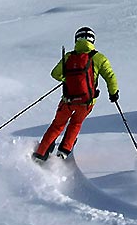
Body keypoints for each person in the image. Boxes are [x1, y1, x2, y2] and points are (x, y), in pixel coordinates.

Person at [32, 26, 119, 161]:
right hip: (86, 102)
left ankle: (41, 153)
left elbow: (55, 74)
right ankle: (64, 151)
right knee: (76, 124)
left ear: (76, 39)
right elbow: (110, 76)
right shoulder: (98, 58)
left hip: (67, 100)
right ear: (93, 40)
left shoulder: (69, 56)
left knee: (57, 125)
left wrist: (66, 79)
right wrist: (113, 93)